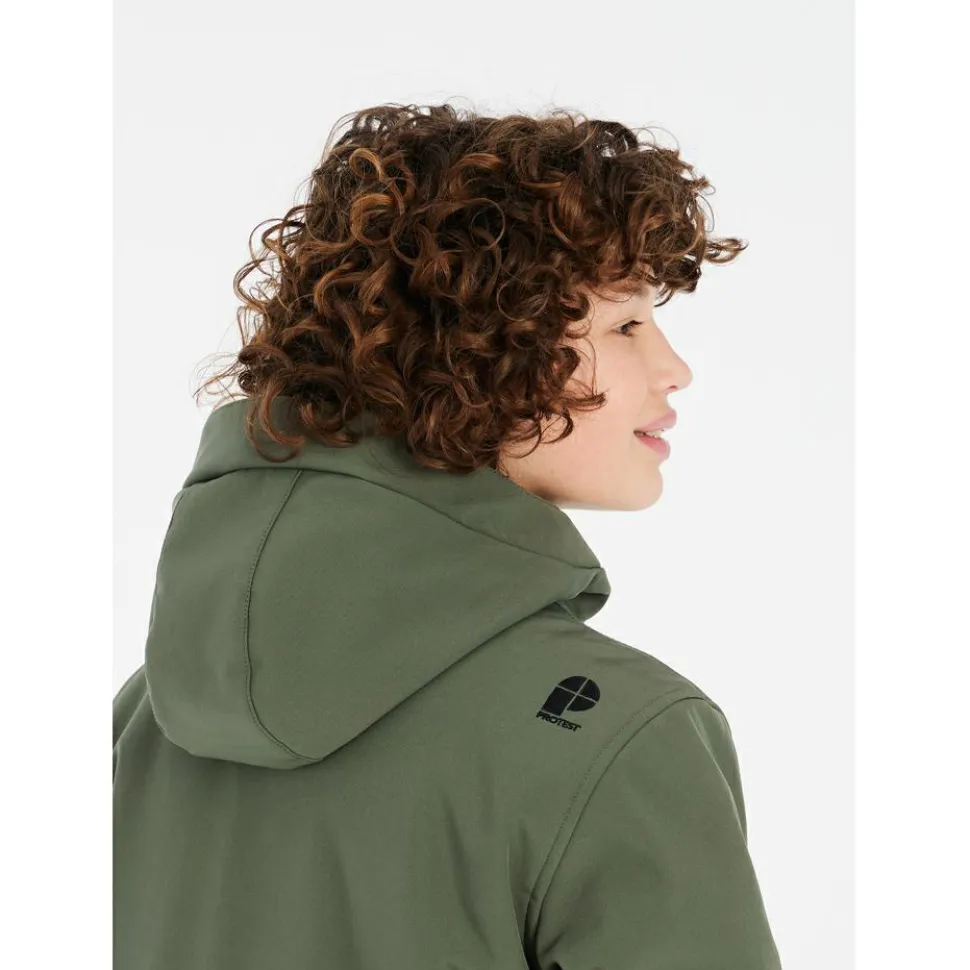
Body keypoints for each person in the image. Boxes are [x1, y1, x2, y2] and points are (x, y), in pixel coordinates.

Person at [113, 101, 783, 969]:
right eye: (624, 325)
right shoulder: (626, 737)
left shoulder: (149, 718)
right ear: (474, 352)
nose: (674, 369)